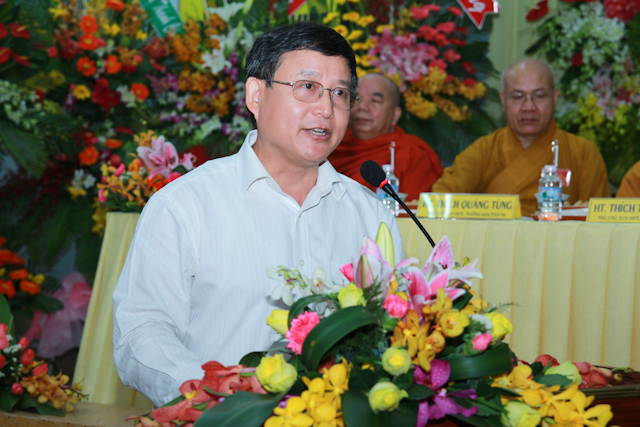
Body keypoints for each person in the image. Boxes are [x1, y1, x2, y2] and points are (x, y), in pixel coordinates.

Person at [112, 22, 405, 407]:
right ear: (255, 94)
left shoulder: (370, 214)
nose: (326, 109)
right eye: (307, 87)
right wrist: (212, 393)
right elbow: (140, 332)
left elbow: (392, 331)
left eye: (340, 93)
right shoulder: (185, 205)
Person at [432, 59, 610, 216]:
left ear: (555, 98)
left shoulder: (583, 153)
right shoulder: (484, 150)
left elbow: (600, 219)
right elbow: (439, 200)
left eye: (539, 96)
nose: (529, 107)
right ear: (503, 100)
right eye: (518, 97)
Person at [329, 73, 443, 202]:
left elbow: (416, 209)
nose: (363, 107)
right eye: (357, 99)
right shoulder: (333, 144)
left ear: (395, 115)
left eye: (375, 101)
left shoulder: (411, 153)